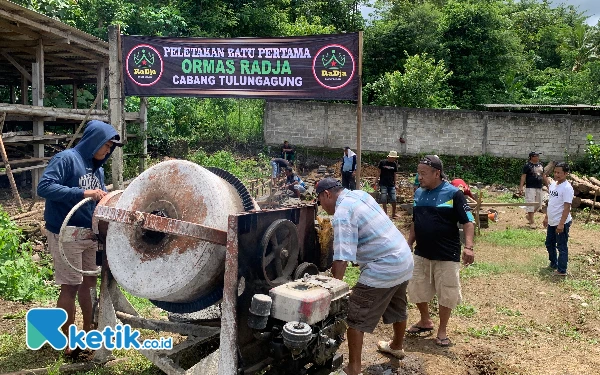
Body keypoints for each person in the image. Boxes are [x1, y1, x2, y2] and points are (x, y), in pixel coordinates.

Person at [37, 120, 123, 356]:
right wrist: (82, 193)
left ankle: (87, 334)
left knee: (89, 285)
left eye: (110, 147)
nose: (108, 151)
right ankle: (66, 341)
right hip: (66, 233)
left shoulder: (98, 169)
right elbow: (44, 187)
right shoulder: (66, 159)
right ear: (93, 141)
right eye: (106, 145)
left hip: (89, 234)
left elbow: (97, 199)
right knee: (70, 286)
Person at [316, 178, 413, 375]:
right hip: (403, 258)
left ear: (327, 194)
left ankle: (353, 369)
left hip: (384, 267)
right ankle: (396, 345)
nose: (321, 207)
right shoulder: (359, 195)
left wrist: (333, 292)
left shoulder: (342, 213)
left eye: (319, 201)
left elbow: (341, 260)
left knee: (354, 316)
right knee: (397, 304)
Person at [406, 155, 475, 347]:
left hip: (447, 254)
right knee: (417, 288)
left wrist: (468, 247)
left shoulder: (454, 194)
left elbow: (468, 221)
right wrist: (409, 242)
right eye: (418, 173)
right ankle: (425, 320)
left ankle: (442, 330)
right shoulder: (419, 193)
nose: (420, 177)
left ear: (437, 173)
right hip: (422, 252)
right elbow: (415, 221)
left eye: (424, 174)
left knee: (447, 292)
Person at [543, 162, 574, 276]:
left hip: (561, 222)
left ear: (566, 173)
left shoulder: (567, 188)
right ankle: (554, 263)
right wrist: (546, 217)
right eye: (555, 172)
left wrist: (561, 224)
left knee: (561, 246)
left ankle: (562, 270)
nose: (556, 174)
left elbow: (566, 207)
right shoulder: (553, 185)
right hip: (552, 221)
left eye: (559, 173)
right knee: (549, 243)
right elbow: (551, 202)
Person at [519, 151, 548, 228]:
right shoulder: (527, 166)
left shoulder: (541, 165)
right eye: (536, 156)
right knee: (530, 203)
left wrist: (548, 185)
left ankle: (529, 216)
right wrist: (521, 187)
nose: (538, 157)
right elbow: (523, 176)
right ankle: (532, 222)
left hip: (539, 186)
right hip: (530, 187)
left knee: (539, 204)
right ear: (532, 157)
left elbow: (544, 176)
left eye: (538, 156)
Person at [375, 150, 399, 218]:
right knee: (383, 199)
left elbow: (394, 175)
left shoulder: (394, 164)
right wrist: (375, 181)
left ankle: (393, 214)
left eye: (395, 158)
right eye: (393, 157)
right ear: (390, 157)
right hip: (383, 184)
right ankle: (385, 214)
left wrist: (395, 184)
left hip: (391, 184)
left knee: (394, 199)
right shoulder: (382, 163)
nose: (394, 159)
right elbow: (378, 173)